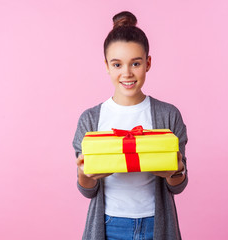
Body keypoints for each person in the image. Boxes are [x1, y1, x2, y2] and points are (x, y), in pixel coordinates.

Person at [72, 11, 188, 240]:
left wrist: (175, 171)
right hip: (108, 224)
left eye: (135, 63)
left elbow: (178, 185)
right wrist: (84, 174)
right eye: (117, 64)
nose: (127, 73)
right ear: (106, 65)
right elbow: (87, 190)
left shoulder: (168, 115)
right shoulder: (90, 119)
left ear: (148, 63)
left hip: (156, 224)